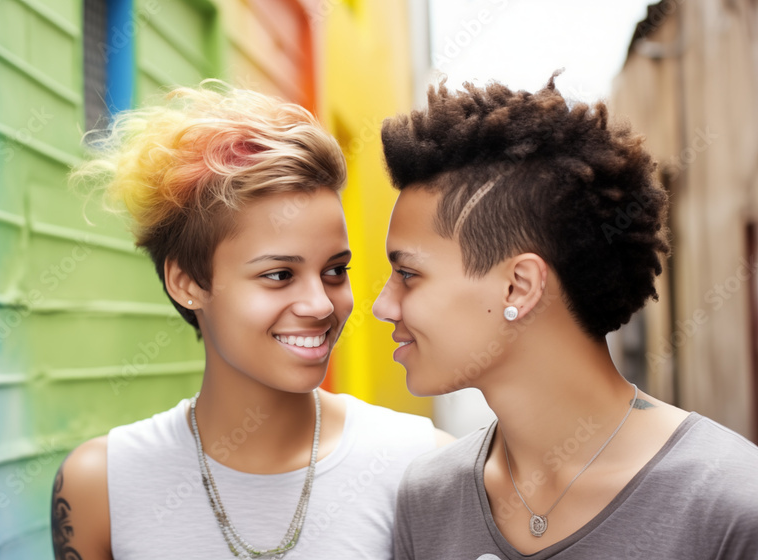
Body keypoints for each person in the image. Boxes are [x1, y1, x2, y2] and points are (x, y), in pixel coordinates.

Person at [52, 82, 454, 560]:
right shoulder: (100, 487)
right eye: (279, 275)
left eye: (334, 271)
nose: (321, 305)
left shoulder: (424, 466)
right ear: (187, 282)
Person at [372, 73, 758, 560]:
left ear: (520, 286)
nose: (382, 306)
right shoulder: (428, 502)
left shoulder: (730, 508)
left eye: (407, 274)